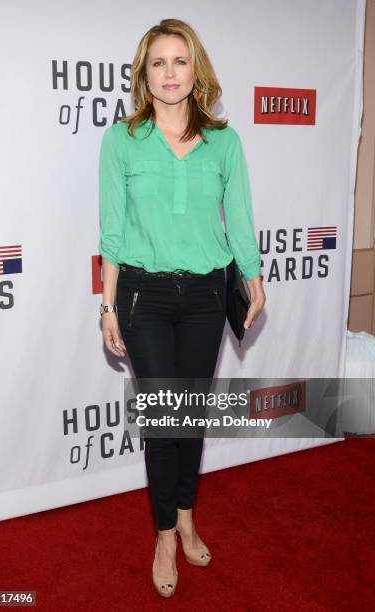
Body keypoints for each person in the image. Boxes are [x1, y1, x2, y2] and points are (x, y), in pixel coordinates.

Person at [98, 18, 266, 598]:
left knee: (189, 414)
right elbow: (111, 231)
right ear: (144, 75)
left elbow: (239, 220)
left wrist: (255, 278)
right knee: (164, 420)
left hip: (205, 296)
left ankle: (187, 512)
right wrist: (107, 304)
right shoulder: (122, 139)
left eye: (180, 61)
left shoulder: (226, 143)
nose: (170, 74)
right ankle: (165, 533)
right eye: (157, 63)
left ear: (197, 70)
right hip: (143, 296)